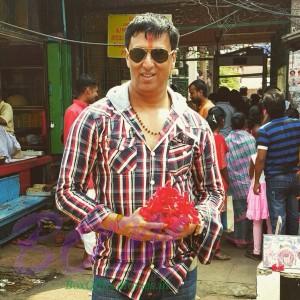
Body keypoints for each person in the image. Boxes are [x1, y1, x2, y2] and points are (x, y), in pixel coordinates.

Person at [56, 13, 224, 300]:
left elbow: (213, 192)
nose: (148, 64)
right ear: (126, 57)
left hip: (177, 275)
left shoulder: (194, 124)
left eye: (158, 54)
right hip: (116, 275)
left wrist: (196, 221)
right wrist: (117, 222)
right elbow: (66, 191)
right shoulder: (95, 119)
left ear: (172, 59)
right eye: (138, 54)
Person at [63, 74, 99, 269]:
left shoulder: (85, 111)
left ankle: (90, 253)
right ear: (87, 90)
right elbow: (72, 146)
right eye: (94, 90)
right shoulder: (73, 111)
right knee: (88, 217)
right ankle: (89, 256)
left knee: (91, 216)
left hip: (93, 173)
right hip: (85, 176)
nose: (96, 94)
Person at [254, 89, 300, 235]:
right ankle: (293, 251)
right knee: (293, 216)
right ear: (284, 106)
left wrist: (256, 182)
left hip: (275, 179)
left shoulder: (265, 130)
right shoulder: (297, 124)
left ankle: (280, 251)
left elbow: (260, 158)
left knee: (279, 218)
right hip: (295, 177)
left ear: (265, 110)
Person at [226, 112, 256, 248]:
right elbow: (254, 160)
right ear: (244, 123)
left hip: (234, 180)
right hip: (248, 179)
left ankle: (239, 238)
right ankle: (247, 238)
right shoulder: (250, 139)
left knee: (239, 210)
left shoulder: (227, 139)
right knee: (249, 210)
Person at [207, 107, 231, 261]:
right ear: (222, 121)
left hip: (204, 180)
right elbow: (222, 165)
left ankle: (207, 248)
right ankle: (216, 250)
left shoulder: (204, 135)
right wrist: (229, 180)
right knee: (218, 218)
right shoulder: (219, 138)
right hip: (218, 182)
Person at [245, 153, 272, 261]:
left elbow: (251, 175)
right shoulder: (271, 155)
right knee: (270, 222)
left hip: (257, 190)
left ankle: (256, 252)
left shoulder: (253, 157)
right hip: (269, 188)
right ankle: (271, 252)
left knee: (256, 222)